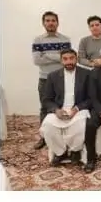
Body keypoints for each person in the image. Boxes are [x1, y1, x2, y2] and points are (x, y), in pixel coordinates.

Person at [40, 49, 92, 166]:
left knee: (79, 125)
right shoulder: (53, 76)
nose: (69, 61)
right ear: (61, 61)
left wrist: (76, 108)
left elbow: (91, 98)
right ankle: (60, 152)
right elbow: (46, 99)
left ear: (76, 59)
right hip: (59, 109)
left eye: (71, 58)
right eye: (65, 59)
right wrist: (56, 110)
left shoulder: (87, 74)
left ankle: (75, 151)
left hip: (78, 108)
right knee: (48, 125)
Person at [32, 11, 71, 150]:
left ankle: (62, 134)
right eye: (47, 20)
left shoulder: (65, 39)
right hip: (44, 79)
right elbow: (37, 60)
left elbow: (66, 60)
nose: (50, 23)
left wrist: (46, 55)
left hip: (61, 79)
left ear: (57, 23)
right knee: (44, 107)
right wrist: (57, 56)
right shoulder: (38, 40)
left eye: (53, 20)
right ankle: (44, 137)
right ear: (43, 23)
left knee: (62, 105)